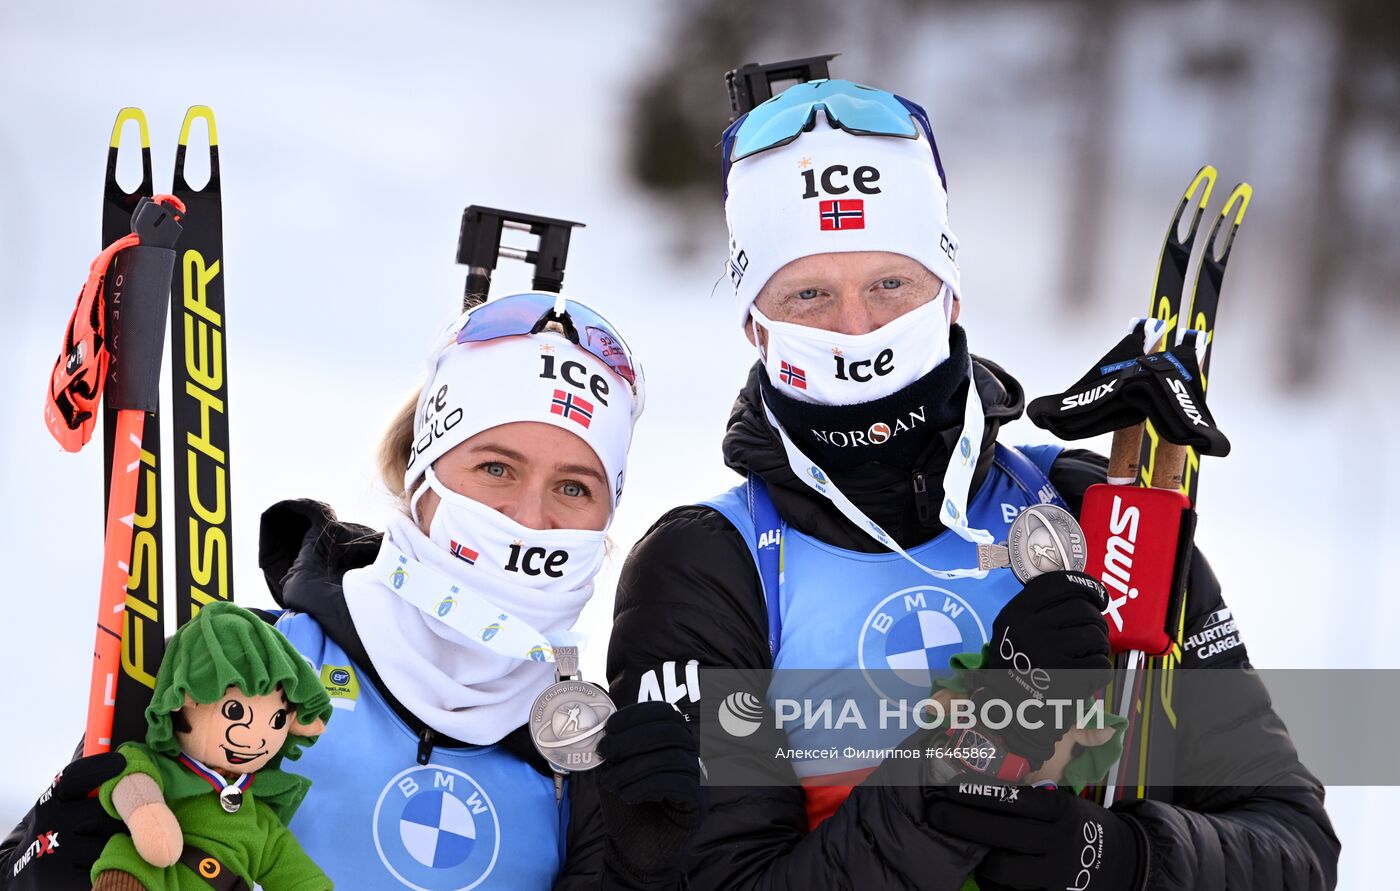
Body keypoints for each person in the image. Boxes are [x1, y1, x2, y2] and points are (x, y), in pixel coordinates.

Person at [606, 78, 1340, 889]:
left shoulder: (1091, 507)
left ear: (949, 290)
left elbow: (1294, 848)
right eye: (809, 294)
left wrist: (1117, 858)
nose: (859, 329)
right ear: (754, 321)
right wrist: (988, 728)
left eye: (891, 284)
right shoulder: (711, 564)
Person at [2, 292, 703, 890]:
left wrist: (639, 875)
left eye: (574, 486)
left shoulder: (594, 752)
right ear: (422, 480)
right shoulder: (242, 667)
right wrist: (53, 864)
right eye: (495, 467)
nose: (529, 518)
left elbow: (789, 750)